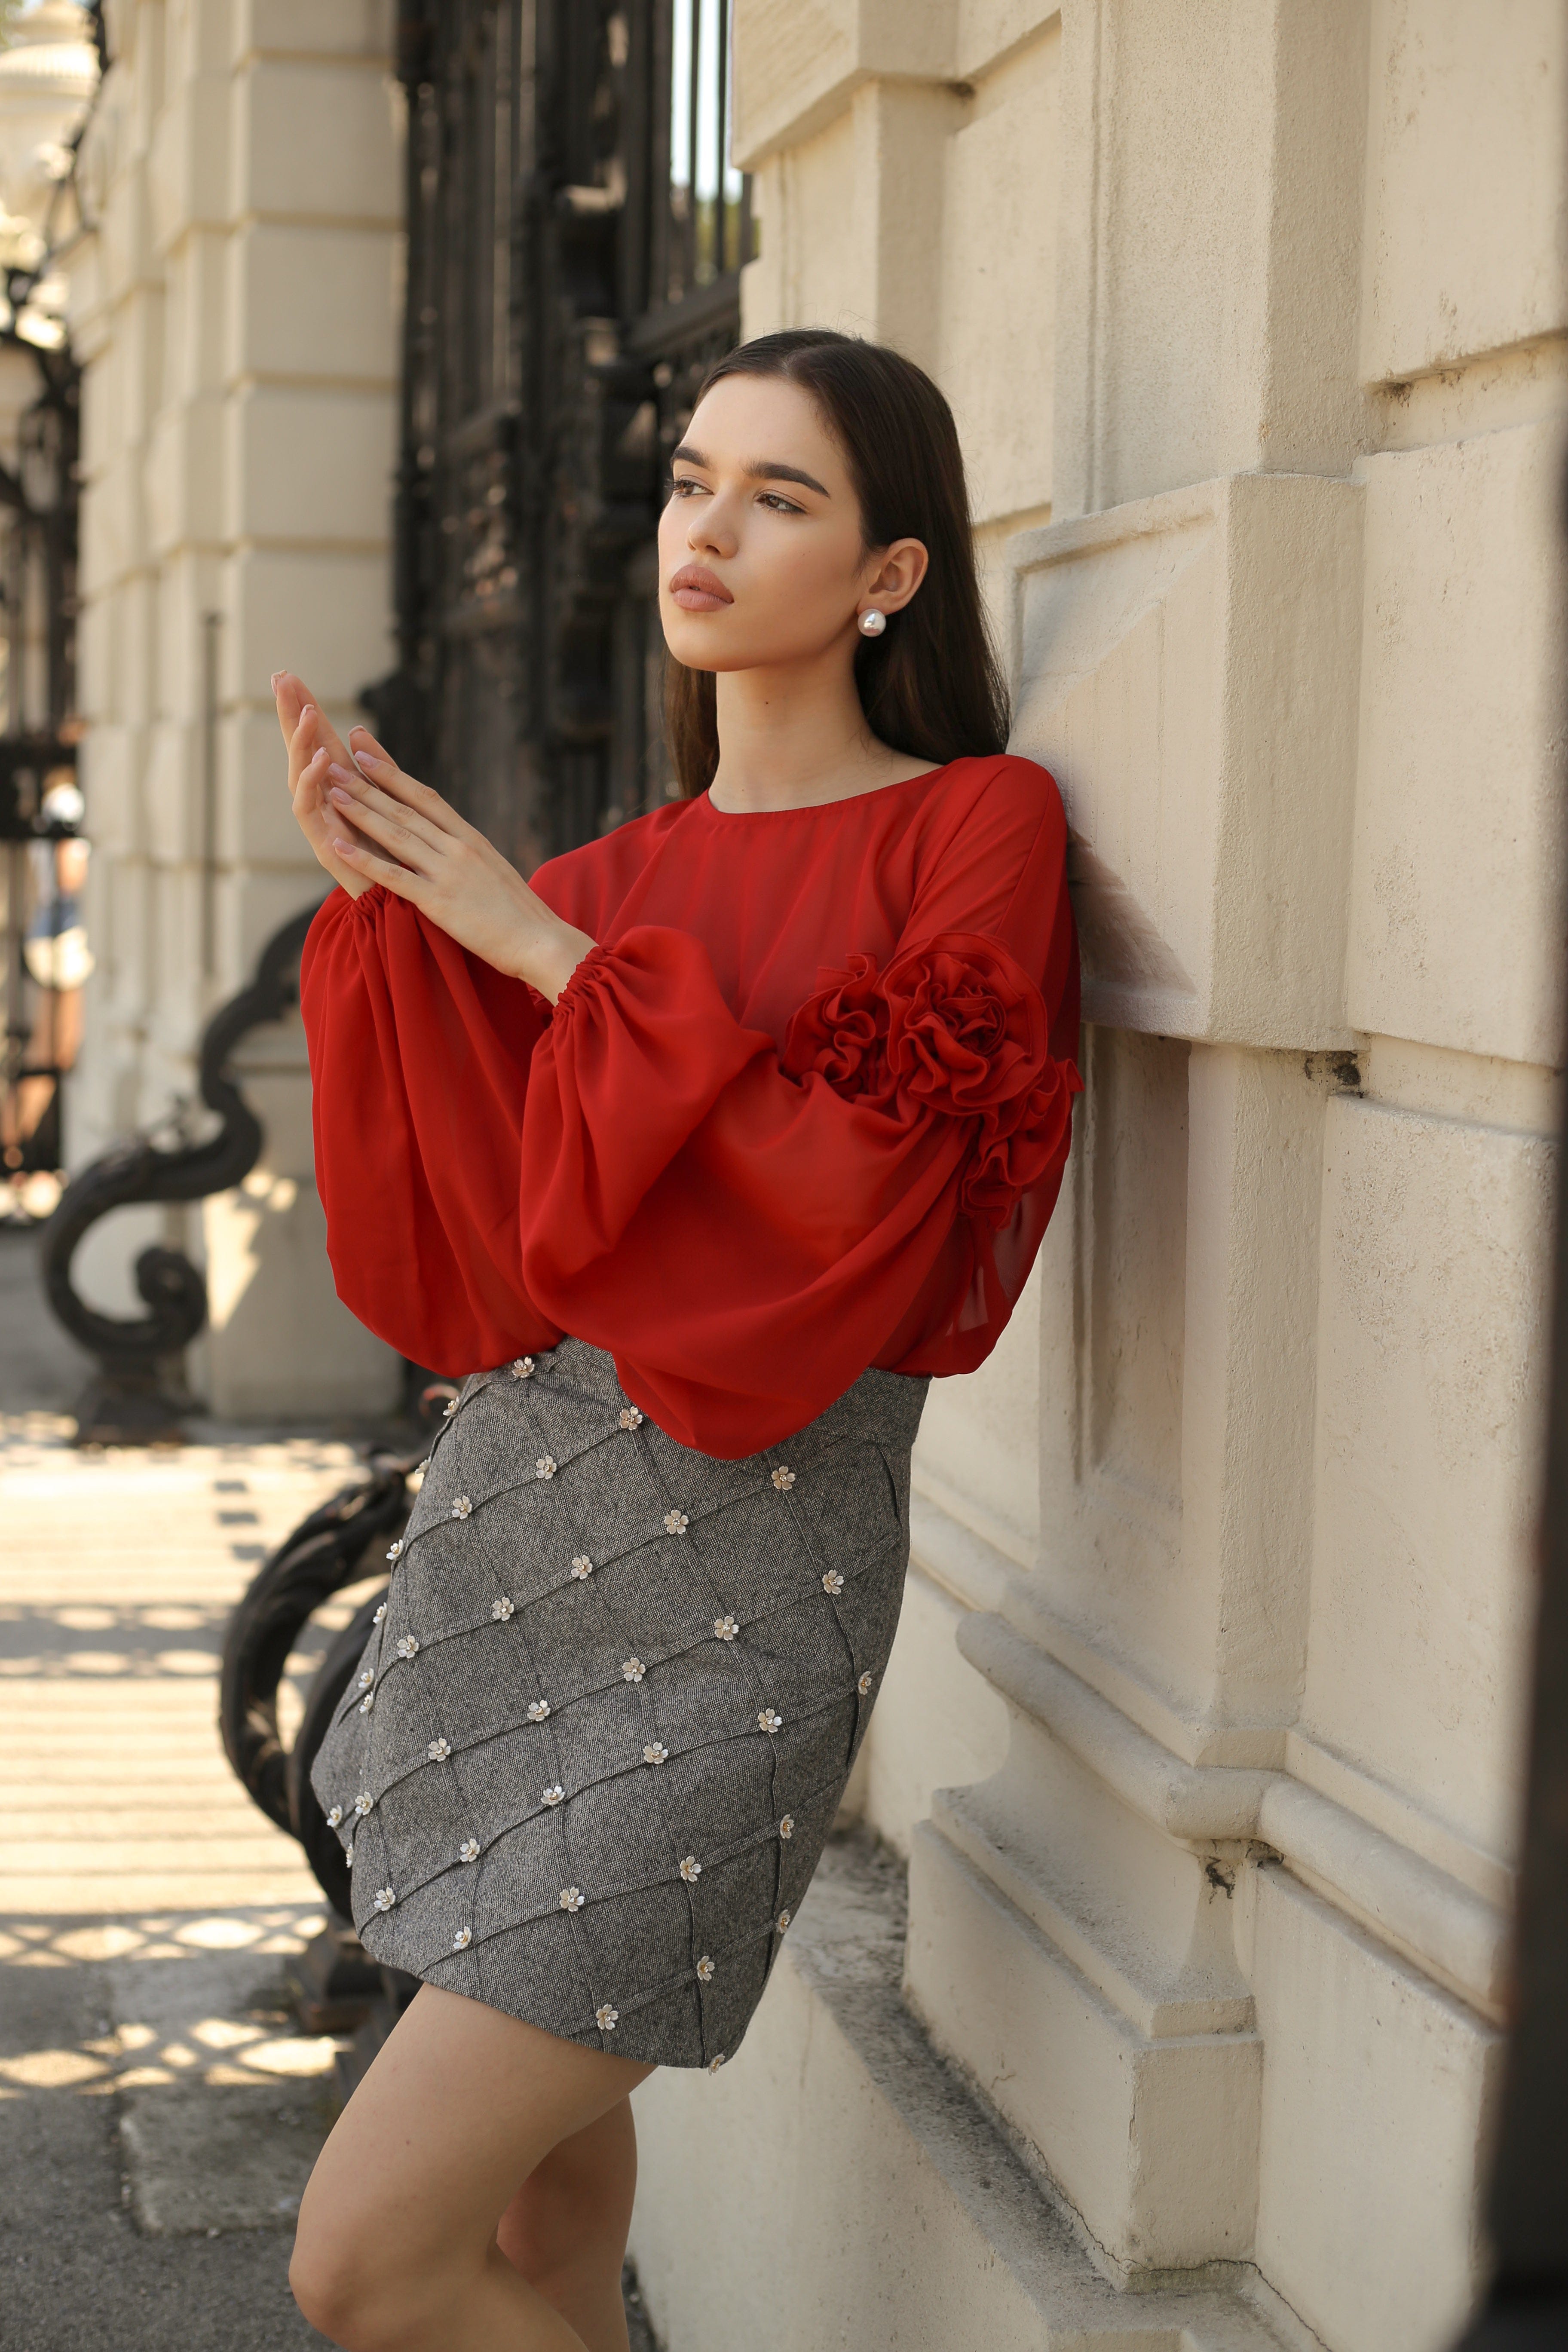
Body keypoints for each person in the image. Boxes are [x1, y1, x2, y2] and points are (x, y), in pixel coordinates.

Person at [279, 329, 1081, 2352]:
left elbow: (865, 1219)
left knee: (362, 2269)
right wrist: (394, 916)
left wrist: (538, 951)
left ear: (891, 571)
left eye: (778, 496)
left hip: (749, 1600)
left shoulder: (974, 829)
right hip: (511, 1559)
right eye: (689, 481)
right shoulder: (613, 874)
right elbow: (481, 1251)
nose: (704, 529)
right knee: (545, 2239)